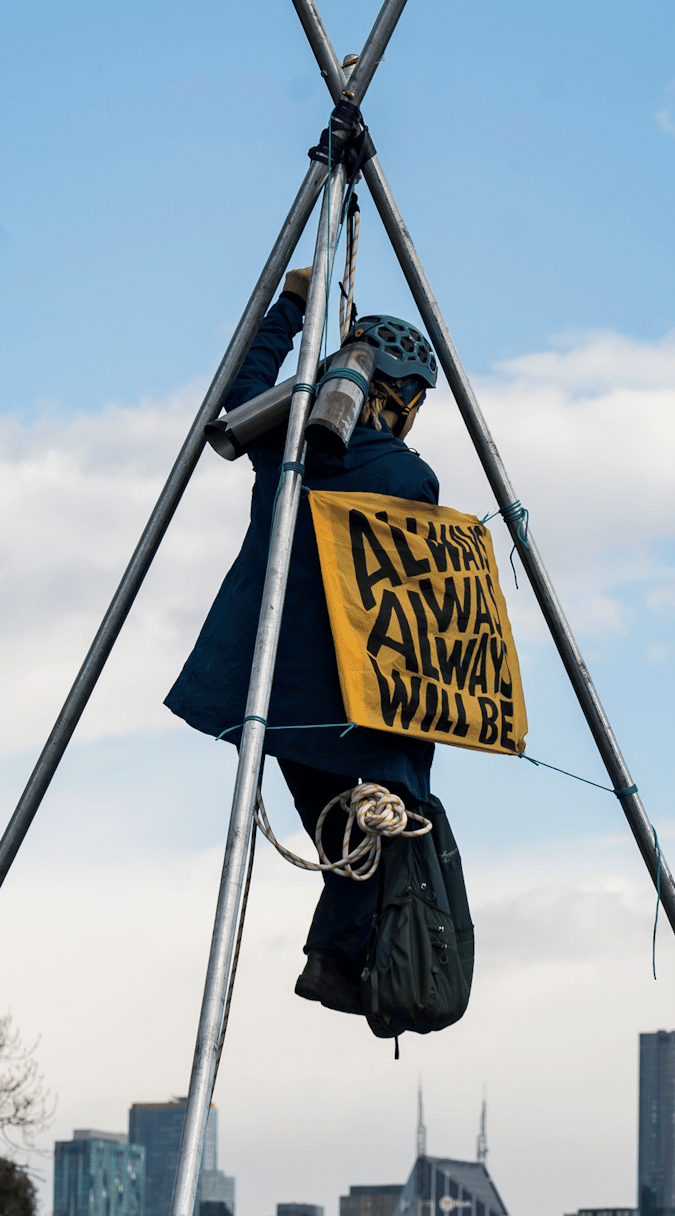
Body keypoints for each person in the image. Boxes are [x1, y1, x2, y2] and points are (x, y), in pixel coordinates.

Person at [164, 268, 445, 1014]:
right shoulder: (411, 477)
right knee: (390, 820)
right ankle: (334, 958)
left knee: (347, 840)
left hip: (274, 695)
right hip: (353, 700)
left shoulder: (285, 436)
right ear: (405, 396)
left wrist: (291, 304)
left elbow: (241, 391)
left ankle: (337, 957)